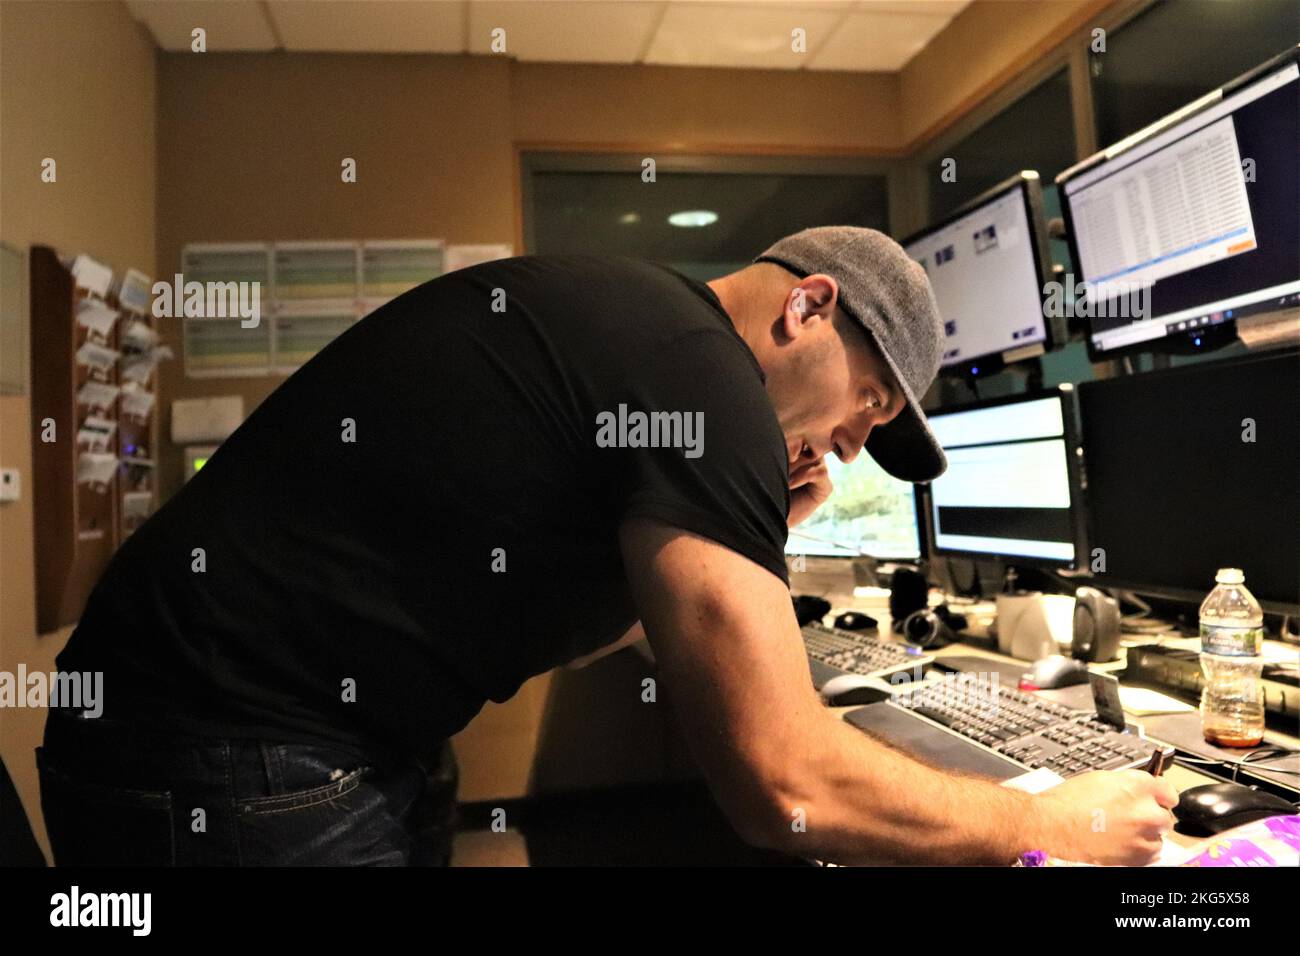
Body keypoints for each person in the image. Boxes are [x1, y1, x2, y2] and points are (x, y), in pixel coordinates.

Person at [39, 227, 1176, 866]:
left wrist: (753, 534)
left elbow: (587, 616)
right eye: (869, 402)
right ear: (808, 307)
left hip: (224, 726)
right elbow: (785, 785)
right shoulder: (700, 378)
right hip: (229, 750)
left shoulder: (639, 328)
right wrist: (1050, 819)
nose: (854, 441)